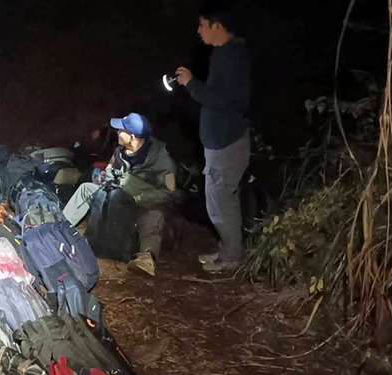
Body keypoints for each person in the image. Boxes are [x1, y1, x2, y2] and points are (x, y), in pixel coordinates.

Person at [175, 1, 252, 272]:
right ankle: (227, 249)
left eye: (202, 25)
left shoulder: (230, 56)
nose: (199, 31)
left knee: (220, 203)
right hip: (220, 142)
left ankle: (232, 257)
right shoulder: (226, 54)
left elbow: (221, 99)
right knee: (220, 201)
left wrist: (191, 84)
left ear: (216, 26)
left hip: (226, 144)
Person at [62, 113, 178, 277]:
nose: (117, 132)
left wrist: (139, 198)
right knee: (86, 188)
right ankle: (59, 228)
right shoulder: (120, 152)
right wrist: (105, 177)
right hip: (118, 199)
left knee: (153, 217)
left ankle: (147, 258)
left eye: (121, 130)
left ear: (132, 137)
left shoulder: (161, 159)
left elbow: (169, 192)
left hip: (142, 203)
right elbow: (110, 171)